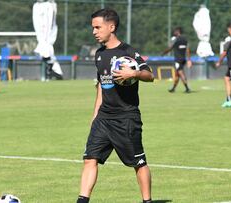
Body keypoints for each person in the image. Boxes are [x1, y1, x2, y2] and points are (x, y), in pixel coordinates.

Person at [77, 8, 154, 203]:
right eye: (92, 28)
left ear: (111, 27)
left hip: (126, 118)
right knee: (89, 158)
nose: (94, 31)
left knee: (138, 162)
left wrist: (134, 74)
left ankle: (147, 201)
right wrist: (95, 115)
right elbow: (102, 86)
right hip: (103, 118)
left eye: (97, 27)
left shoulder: (128, 52)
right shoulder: (99, 54)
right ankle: (82, 200)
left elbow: (150, 75)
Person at [162, 27, 192, 93]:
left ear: (178, 31)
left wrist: (164, 53)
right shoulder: (185, 39)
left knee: (180, 73)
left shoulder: (176, 39)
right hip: (183, 59)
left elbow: (170, 48)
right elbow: (188, 50)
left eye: (175, 31)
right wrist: (189, 59)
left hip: (178, 60)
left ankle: (187, 88)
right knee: (177, 74)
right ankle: (173, 88)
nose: (174, 32)